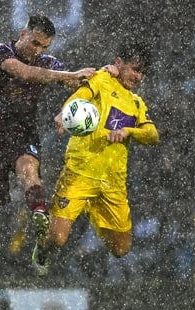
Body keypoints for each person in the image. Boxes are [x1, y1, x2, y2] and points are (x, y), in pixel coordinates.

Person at [0, 14, 98, 310]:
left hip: (21, 134)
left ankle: (38, 213)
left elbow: (80, 82)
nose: (37, 50)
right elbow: (23, 72)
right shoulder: (0, 51)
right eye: (34, 42)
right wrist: (67, 75)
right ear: (22, 34)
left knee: (28, 170)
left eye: (44, 46)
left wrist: (101, 77)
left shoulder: (48, 62)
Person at [31, 40, 160, 277]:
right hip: (79, 174)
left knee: (122, 249)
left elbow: (153, 135)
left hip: (113, 183)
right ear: (119, 63)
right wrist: (64, 113)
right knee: (57, 240)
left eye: (143, 72)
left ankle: (91, 209)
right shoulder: (101, 80)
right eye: (135, 69)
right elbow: (79, 96)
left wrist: (129, 131)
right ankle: (42, 248)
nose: (139, 76)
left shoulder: (136, 103)